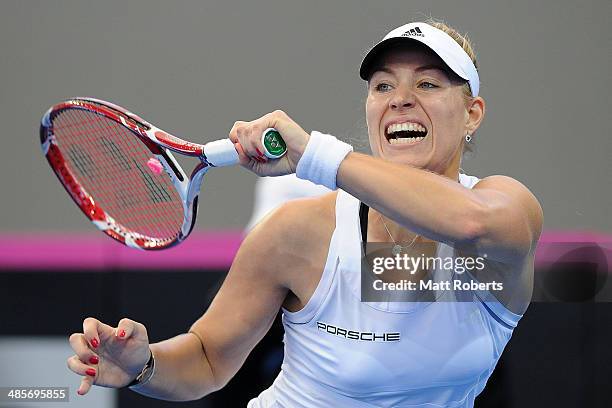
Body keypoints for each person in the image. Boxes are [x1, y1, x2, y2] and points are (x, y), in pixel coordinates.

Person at [67, 20, 543, 407]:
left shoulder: (506, 209)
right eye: (382, 85)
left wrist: (315, 156)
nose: (400, 98)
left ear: (473, 113)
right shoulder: (297, 234)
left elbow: (469, 224)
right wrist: (142, 365)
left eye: (427, 83)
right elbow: (208, 361)